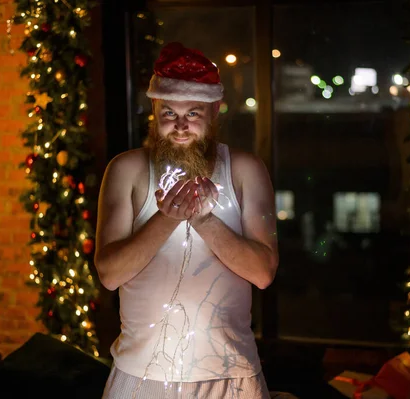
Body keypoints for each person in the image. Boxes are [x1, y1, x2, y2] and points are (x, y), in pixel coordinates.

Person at [96, 42, 278, 399]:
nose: (180, 127)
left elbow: (263, 273)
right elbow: (109, 275)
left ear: (214, 112)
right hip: (140, 377)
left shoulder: (245, 170)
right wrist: (166, 219)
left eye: (193, 114)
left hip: (232, 379)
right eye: (169, 114)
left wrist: (205, 221)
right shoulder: (126, 170)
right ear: (154, 111)